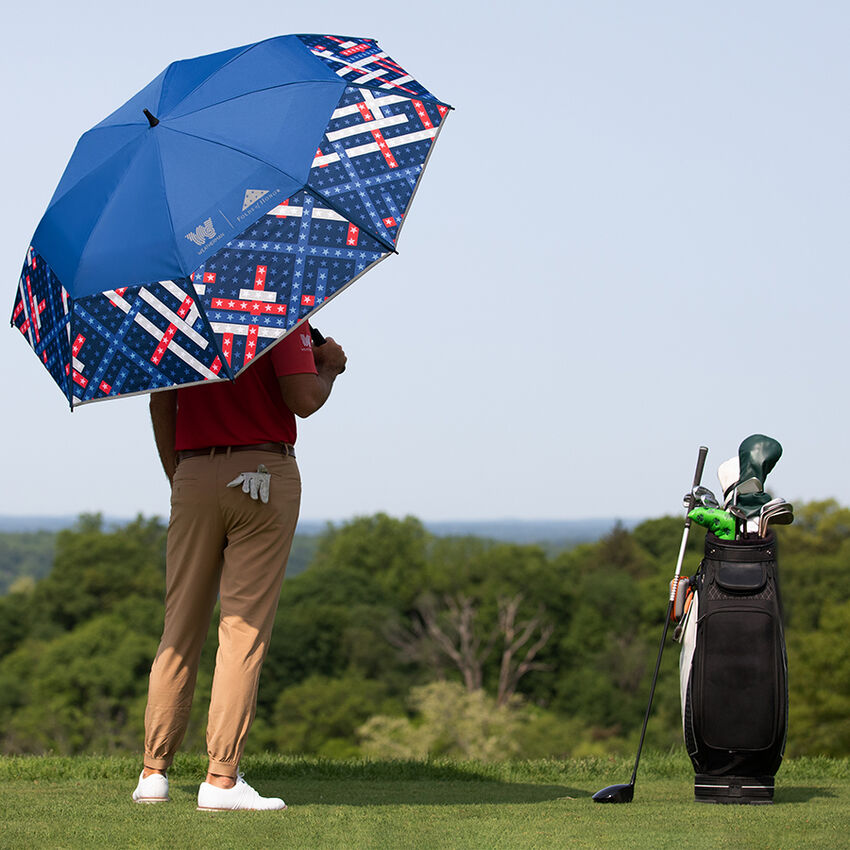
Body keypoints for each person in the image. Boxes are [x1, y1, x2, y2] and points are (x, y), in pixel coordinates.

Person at [132, 323, 346, 811]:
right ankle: (221, 780)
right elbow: (303, 398)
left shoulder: (177, 315)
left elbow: (159, 404)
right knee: (243, 630)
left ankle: (153, 773)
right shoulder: (281, 312)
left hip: (192, 472)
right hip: (264, 472)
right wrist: (329, 366)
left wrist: (183, 478)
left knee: (180, 627)